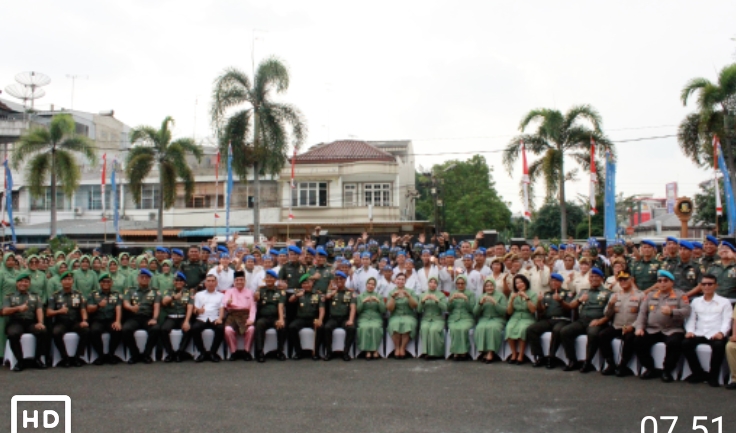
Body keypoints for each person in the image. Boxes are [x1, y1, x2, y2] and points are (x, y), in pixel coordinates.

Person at [634, 269, 691, 382]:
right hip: (653, 329)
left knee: (674, 343)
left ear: (672, 282)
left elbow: (687, 311)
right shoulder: (651, 295)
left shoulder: (680, 295)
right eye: (659, 281)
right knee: (638, 341)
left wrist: (672, 312)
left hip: (672, 329)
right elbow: (643, 313)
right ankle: (650, 368)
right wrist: (639, 327)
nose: (662, 283)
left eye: (665, 281)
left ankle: (667, 370)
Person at [682, 274, 732, 387]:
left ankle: (713, 376)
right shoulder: (696, 301)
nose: (707, 286)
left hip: (716, 333)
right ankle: (698, 373)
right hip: (699, 332)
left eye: (710, 284)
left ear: (716, 286)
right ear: (700, 286)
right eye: (704, 284)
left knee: (719, 346)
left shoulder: (724, 302)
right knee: (685, 343)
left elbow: (727, 320)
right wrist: (690, 331)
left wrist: (722, 333)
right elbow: (691, 319)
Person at [560, 268, 612, 372]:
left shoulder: (608, 293)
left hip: (597, 321)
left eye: (596, 276)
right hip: (582, 321)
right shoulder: (584, 291)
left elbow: (611, 312)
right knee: (565, 331)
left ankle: (587, 362)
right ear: (589, 279)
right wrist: (580, 300)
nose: (594, 279)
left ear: (601, 279)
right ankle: (572, 360)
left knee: (593, 334)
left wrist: (600, 321)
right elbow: (571, 306)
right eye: (591, 276)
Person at [2, 271, 48, 371]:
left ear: (29, 284)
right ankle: (20, 361)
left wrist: (40, 322)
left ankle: (37, 359)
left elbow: (39, 310)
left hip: (30, 322)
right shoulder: (9, 296)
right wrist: (18, 308)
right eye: (21, 281)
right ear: (17, 283)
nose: (23, 283)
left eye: (26, 282)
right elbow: (4, 311)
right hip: (16, 322)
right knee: (13, 334)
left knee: (42, 331)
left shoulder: (35, 296)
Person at [599, 270, 641, 377]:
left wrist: (633, 326)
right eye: (620, 280)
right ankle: (610, 363)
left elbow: (643, 315)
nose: (623, 282)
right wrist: (611, 305)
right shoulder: (615, 295)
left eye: (625, 279)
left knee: (629, 338)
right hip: (617, 326)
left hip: (632, 326)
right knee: (603, 335)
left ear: (631, 280)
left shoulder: (640, 295)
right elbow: (607, 315)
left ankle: (623, 365)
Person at [527, 273, 574, 369]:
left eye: (556, 281)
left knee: (557, 330)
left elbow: (569, 308)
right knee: (531, 329)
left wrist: (560, 301)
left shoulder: (567, 293)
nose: (553, 283)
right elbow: (541, 310)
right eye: (552, 281)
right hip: (548, 319)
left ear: (561, 282)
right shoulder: (547, 294)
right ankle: (539, 356)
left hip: (563, 319)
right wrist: (539, 302)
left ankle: (551, 357)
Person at [47, 271, 90, 367]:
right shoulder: (55, 295)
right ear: (61, 282)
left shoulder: (78, 295)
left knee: (86, 330)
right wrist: (59, 311)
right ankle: (64, 357)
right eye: (65, 280)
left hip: (75, 322)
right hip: (61, 322)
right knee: (56, 332)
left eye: (69, 279)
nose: (67, 281)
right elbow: (49, 312)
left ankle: (77, 357)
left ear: (72, 282)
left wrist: (84, 321)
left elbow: (83, 310)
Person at [122, 269, 162, 364]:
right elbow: (125, 303)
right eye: (142, 277)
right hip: (134, 317)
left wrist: (154, 318)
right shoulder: (130, 290)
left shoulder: (155, 292)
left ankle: (147, 354)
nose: (144, 279)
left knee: (155, 329)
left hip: (147, 317)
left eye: (146, 277)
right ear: (138, 278)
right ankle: (134, 354)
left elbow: (156, 306)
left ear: (149, 279)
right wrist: (131, 307)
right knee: (125, 329)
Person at [86, 273, 123, 366]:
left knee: (117, 330)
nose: (106, 283)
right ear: (100, 283)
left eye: (108, 282)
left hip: (111, 319)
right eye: (104, 282)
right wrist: (98, 305)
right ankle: (100, 355)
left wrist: (118, 321)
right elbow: (89, 309)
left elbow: (118, 308)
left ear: (111, 283)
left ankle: (111, 354)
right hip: (98, 320)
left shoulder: (116, 294)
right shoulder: (93, 294)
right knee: (94, 331)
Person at [287, 274, 324, 361]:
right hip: (301, 318)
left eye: (308, 283)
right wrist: (297, 295)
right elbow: (290, 300)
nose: (306, 285)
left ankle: (316, 352)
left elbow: (322, 309)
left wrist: (320, 320)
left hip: (313, 318)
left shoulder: (317, 294)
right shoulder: (299, 293)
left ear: (312, 283)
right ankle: (298, 352)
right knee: (292, 327)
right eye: (304, 284)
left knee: (320, 327)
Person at [189, 274, 225, 362]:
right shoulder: (198, 294)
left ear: (216, 283)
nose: (210, 283)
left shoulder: (221, 295)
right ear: (205, 283)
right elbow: (194, 309)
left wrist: (220, 318)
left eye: (213, 281)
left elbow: (222, 308)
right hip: (202, 317)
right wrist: (198, 311)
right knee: (194, 328)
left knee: (220, 328)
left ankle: (213, 353)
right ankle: (202, 352)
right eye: (208, 281)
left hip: (214, 317)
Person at [160, 272, 194, 362]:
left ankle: (180, 353)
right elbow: (164, 302)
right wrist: (174, 297)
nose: (178, 282)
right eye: (176, 280)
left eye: (180, 281)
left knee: (189, 329)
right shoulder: (168, 291)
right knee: (163, 330)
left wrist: (187, 321)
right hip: (171, 317)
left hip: (183, 317)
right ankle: (170, 353)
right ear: (173, 282)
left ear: (184, 282)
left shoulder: (188, 292)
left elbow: (190, 307)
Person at [254, 269, 287, 362]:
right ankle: (260, 352)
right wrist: (256, 293)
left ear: (275, 280)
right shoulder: (260, 290)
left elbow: (280, 306)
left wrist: (281, 319)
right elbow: (255, 301)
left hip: (275, 317)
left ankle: (280, 351)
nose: (269, 279)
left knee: (282, 326)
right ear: (265, 279)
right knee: (259, 324)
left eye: (271, 278)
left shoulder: (280, 292)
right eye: (267, 278)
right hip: (263, 317)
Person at [323, 271, 357, 361]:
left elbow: (353, 308)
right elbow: (326, 297)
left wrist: (351, 320)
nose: (339, 281)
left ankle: (346, 353)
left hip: (345, 318)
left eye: (341, 279)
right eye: (337, 279)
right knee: (326, 328)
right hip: (333, 318)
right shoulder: (331, 291)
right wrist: (332, 293)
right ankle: (329, 353)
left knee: (351, 328)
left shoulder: (350, 293)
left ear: (345, 280)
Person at [223, 270, 257, 361]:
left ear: (244, 281)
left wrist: (251, 319)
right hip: (233, 315)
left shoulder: (250, 292)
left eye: (241, 280)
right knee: (228, 329)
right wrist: (228, 303)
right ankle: (233, 352)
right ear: (234, 282)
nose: (239, 282)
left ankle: (247, 351)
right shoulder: (229, 291)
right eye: (237, 280)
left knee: (251, 329)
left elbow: (253, 307)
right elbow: (224, 304)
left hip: (245, 315)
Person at [505, 274, 537, 364]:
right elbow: (509, 312)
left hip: (527, 316)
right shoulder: (513, 294)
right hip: (515, 316)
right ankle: (514, 353)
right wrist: (511, 300)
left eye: (521, 282)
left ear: (526, 282)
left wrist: (526, 297)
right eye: (517, 283)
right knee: (509, 328)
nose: (519, 285)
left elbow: (533, 310)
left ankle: (521, 355)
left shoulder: (532, 294)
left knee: (522, 329)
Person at [474, 277, 507, 364]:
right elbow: (475, 312)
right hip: (484, 318)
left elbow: (504, 311)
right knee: (480, 328)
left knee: (493, 328)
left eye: (491, 285)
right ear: (484, 287)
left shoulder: (501, 296)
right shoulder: (481, 296)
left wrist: (495, 303)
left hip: (498, 318)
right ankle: (483, 351)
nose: (489, 288)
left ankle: (491, 352)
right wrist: (480, 303)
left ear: (494, 286)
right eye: (487, 286)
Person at [386, 273, 418, 359]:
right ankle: (397, 348)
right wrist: (393, 297)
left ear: (405, 281)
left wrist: (408, 296)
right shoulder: (391, 292)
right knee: (395, 324)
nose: (400, 281)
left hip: (408, 315)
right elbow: (390, 308)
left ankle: (403, 348)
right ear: (395, 281)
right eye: (399, 279)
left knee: (407, 324)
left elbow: (414, 306)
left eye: (403, 279)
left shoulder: (410, 291)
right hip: (395, 315)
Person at [447, 274, 476, 360]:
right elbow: (448, 309)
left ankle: (464, 352)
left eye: (462, 283)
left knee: (463, 329)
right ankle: (456, 352)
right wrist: (451, 300)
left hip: (466, 317)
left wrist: (466, 299)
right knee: (454, 328)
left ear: (465, 284)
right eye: (458, 283)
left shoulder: (470, 294)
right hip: (454, 318)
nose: (460, 285)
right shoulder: (453, 293)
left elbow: (472, 309)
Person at [418, 276, 447, 360]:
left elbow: (445, 308)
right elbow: (419, 310)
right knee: (424, 328)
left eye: (435, 283)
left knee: (433, 330)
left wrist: (437, 301)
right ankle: (425, 352)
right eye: (431, 282)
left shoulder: (441, 295)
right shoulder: (423, 295)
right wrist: (422, 301)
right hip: (426, 318)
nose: (432, 284)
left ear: (437, 285)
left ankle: (435, 353)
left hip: (437, 318)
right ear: (428, 283)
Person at [357, 276, 385, 359]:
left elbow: (383, 310)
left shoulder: (379, 296)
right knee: (364, 328)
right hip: (364, 318)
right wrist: (363, 302)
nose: (370, 286)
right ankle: (367, 351)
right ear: (366, 285)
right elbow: (357, 310)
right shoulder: (360, 296)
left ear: (375, 286)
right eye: (369, 284)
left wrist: (378, 301)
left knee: (375, 328)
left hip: (375, 318)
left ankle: (375, 349)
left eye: (372, 284)